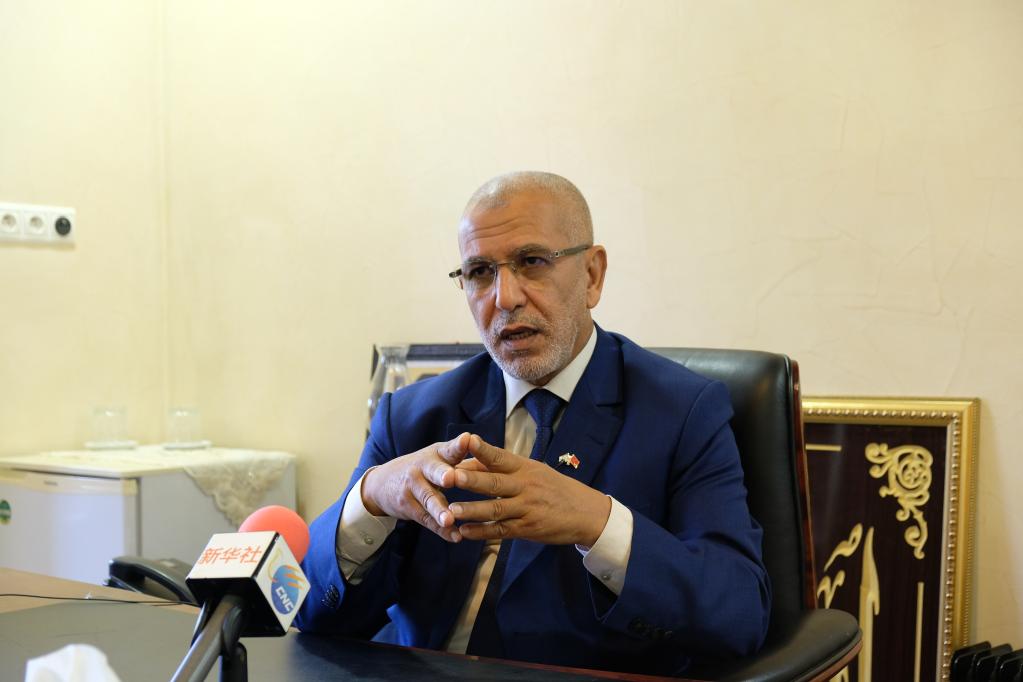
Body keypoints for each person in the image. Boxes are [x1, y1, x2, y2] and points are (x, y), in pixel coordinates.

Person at [296, 171, 770, 675]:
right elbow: (311, 614)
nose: (505, 297)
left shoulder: (683, 412)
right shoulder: (412, 416)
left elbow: (738, 613)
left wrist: (598, 522)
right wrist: (370, 498)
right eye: (480, 272)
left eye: (532, 262)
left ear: (592, 275)